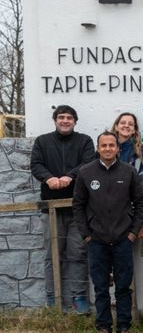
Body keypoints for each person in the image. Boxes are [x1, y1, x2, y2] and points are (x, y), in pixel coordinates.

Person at [72, 131, 143, 333]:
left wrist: (132, 233)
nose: (107, 149)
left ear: (117, 148)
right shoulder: (86, 173)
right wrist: (86, 235)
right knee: (101, 287)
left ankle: (124, 330)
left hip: (124, 239)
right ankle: (103, 330)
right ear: (98, 148)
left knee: (123, 287)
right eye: (103, 145)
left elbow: (140, 203)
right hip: (96, 241)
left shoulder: (129, 171)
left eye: (111, 145)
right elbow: (78, 206)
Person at [30, 104, 95, 313]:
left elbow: (88, 163)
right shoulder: (42, 141)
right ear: (55, 120)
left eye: (69, 117)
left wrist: (71, 176)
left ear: (75, 121)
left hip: (78, 207)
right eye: (61, 117)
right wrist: (48, 178)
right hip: (50, 209)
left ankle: (79, 298)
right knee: (52, 256)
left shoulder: (84, 141)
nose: (65, 120)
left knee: (78, 253)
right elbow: (36, 164)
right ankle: (52, 298)